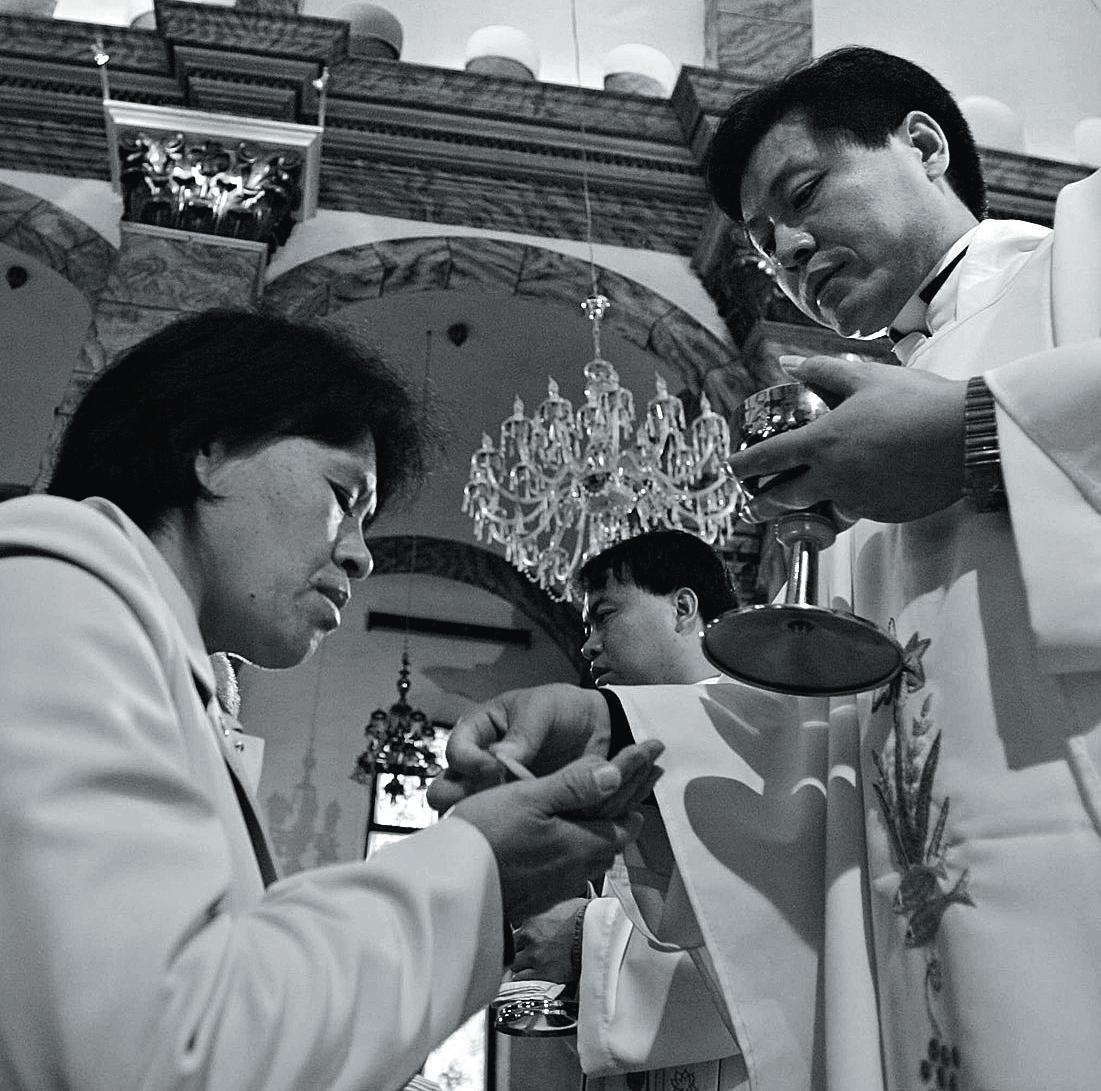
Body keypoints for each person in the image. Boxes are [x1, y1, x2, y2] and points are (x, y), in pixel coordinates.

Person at [431, 46, 1101, 1091]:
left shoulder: (1082, 259)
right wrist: (615, 727)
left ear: (924, 146)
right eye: (760, 243)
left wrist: (978, 436)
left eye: (803, 192)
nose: (785, 249)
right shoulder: (858, 431)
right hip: (925, 972)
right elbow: (827, 746)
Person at [0, 308, 663, 1091]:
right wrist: (477, 866)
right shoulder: (54, 588)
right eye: (343, 495)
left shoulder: (155, 657)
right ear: (206, 447)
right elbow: (156, 1050)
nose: (360, 554)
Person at [509, 531, 746, 1089]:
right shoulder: (637, 754)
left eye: (604, 616)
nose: (588, 646)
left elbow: (759, 952)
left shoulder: (756, 732)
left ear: (682, 609)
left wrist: (581, 937)